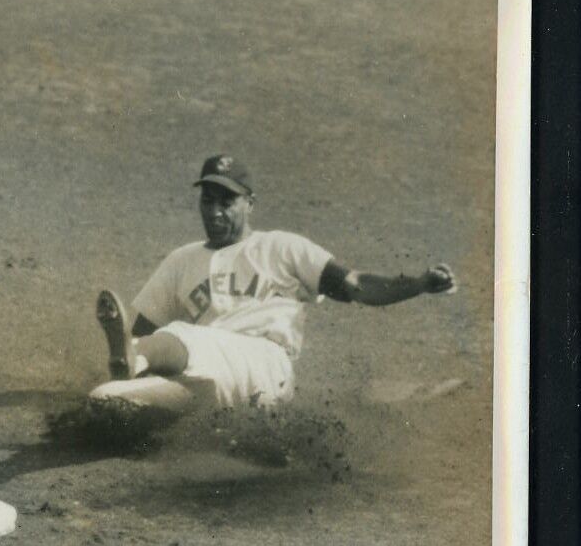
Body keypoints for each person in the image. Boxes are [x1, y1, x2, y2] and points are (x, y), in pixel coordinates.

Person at [91, 154, 456, 416]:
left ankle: (136, 359)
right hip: (212, 374)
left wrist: (418, 284)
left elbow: (356, 285)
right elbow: (139, 329)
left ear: (250, 203)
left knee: (180, 337)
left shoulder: (281, 247)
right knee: (110, 399)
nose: (215, 211)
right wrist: (133, 349)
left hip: (266, 363)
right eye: (208, 200)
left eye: (227, 201)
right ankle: (133, 380)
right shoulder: (181, 260)